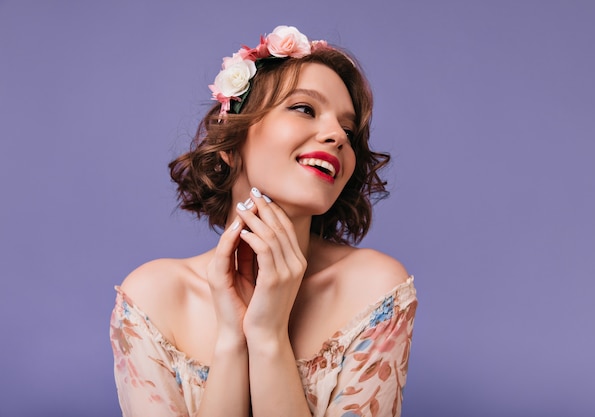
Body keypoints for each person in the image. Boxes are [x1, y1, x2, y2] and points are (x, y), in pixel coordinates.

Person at [110, 25, 417, 417]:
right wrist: (232, 343)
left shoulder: (373, 289)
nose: (337, 136)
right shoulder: (154, 299)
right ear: (230, 144)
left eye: (348, 130)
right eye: (305, 108)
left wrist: (268, 336)